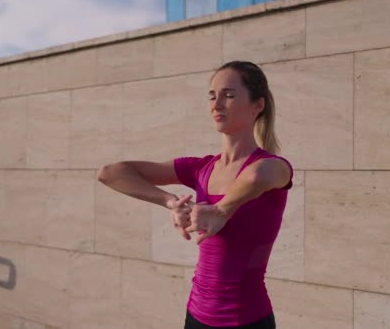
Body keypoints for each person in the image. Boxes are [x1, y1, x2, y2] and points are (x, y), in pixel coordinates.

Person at [97, 61, 293, 329]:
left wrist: (222, 210)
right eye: (212, 96)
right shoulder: (200, 168)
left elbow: (259, 176)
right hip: (196, 316)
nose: (217, 104)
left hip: (247, 320)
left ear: (257, 105)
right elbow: (110, 173)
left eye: (229, 95)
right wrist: (169, 201)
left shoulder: (273, 166)